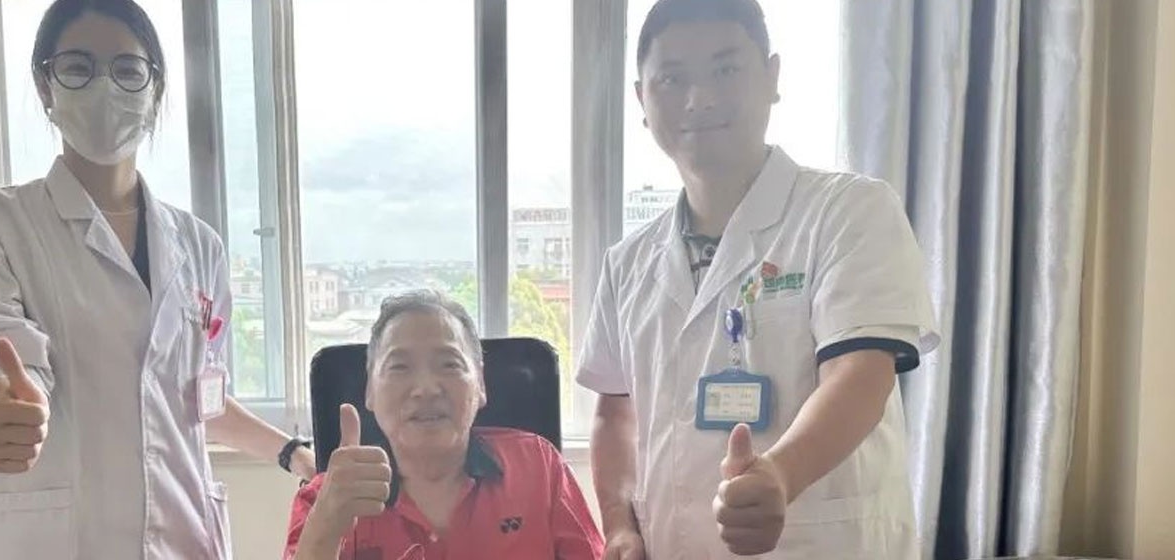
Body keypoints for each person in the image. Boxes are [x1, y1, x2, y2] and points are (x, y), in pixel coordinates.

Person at [0, 1, 315, 558]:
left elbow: (199, 399)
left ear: (154, 90)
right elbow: (2, 359)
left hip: (183, 532)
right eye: (78, 67)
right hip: (58, 539)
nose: (104, 88)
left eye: (127, 70)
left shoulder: (199, 245)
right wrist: (8, 404)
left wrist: (295, 454)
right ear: (44, 86)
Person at [577, 0, 940, 558]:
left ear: (772, 77)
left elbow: (860, 374)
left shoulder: (849, 211)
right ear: (642, 100)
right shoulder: (626, 264)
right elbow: (615, 411)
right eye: (672, 78)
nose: (699, 98)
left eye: (725, 68)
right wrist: (619, 526)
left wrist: (780, 475)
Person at [285, 291, 604, 559]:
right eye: (400, 367)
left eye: (449, 364)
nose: (426, 388)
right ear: (370, 390)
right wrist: (325, 529)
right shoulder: (326, 498)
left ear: (480, 384)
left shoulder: (539, 467)